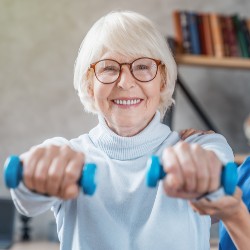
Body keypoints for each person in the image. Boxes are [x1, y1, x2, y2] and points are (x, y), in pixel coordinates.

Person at [10, 11, 250, 250]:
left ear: (163, 81)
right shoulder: (66, 153)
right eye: (109, 68)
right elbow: (27, 200)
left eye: (143, 66)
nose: (125, 82)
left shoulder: (203, 146)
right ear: (89, 84)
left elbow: (218, 179)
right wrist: (33, 175)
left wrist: (204, 172)